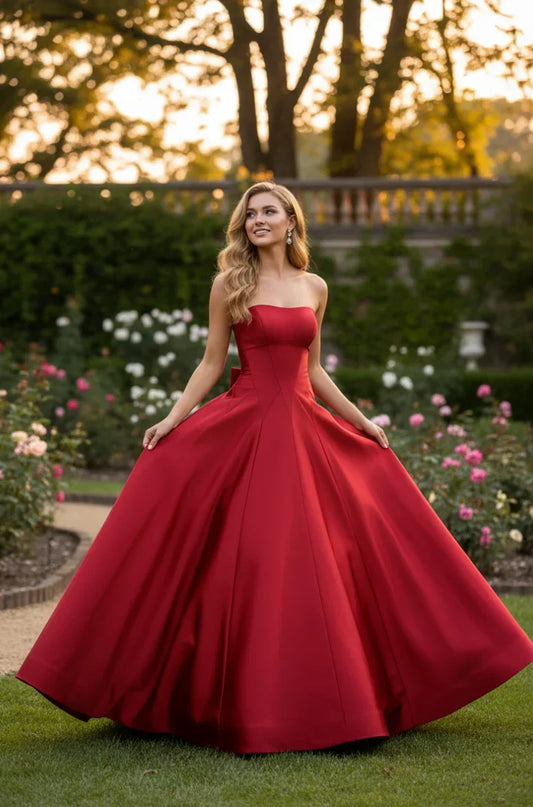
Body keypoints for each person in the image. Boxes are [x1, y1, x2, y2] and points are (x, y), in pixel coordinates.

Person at [16, 181, 533, 755]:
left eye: (269, 211)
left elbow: (313, 372)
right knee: (254, 554)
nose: (258, 220)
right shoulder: (230, 284)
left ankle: (351, 694)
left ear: (292, 222)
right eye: (251, 213)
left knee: (337, 550)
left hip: (306, 430)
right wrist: (173, 418)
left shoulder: (316, 286)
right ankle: (230, 701)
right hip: (248, 427)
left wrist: (362, 421)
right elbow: (212, 363)